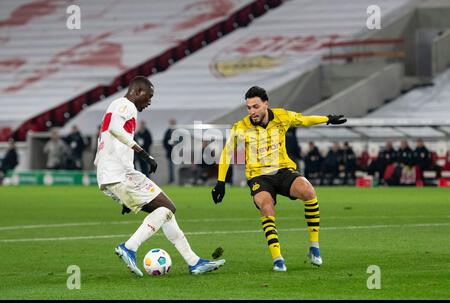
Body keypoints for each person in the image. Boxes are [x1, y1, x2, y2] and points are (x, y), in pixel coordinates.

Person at [94, 76, 225, 277]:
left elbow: (107, 140)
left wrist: (120, 194)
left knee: (166, 211)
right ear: (137, 91)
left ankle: (193, 261)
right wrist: (143, 153)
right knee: (167, 207)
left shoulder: (118, 106)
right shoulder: (124, 105)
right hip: (119, 173)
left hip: (110, 174)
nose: (149, 101)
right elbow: (114, 128)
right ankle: (129, 247)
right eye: (149, 96)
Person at [211, 86, 346, 272]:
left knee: (308, 191)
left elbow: (304, 120)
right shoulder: (241, 127)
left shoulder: (282, 116)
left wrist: (328, 119)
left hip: (284, 170)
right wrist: (220, 182)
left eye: (256, 106)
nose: (252, 111)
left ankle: (314, 248)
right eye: (249, 108)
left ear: (266, 104)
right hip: (259, 176)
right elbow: (227, 153)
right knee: (267, 207)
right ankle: (278, 259)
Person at [163, 119, 176, 184]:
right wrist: (169, 145)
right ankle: (171, 180)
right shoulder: (167, 132)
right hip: (170, 153)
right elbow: (164, 142)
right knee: (170, 168)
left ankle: (177, 181)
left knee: (177, 168)